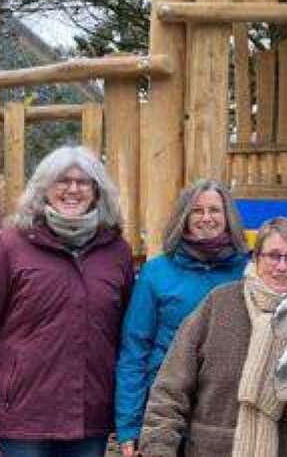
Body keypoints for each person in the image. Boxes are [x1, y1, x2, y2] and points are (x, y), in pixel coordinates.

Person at [0, 145, 135, 457]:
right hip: (24, 416)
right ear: (44, 189)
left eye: (83, 182)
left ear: (97, 192)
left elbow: (129, 337)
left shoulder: (116, 251)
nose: (72, 189)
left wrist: (128, 416)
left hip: (89, 415)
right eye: (62, 181)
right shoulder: (12, 245)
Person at [139, 217, 287, 457]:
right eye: (273, 255)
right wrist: (158, 449)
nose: (281, 266)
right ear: (256, 259)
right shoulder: (219, 304)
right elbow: (170, 390)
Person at [114, 179, 249, 456]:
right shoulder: (157, 273)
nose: (206, 218)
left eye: (214, 210)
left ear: (228, 217)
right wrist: (130, 424)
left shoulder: (247, 273)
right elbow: (134, 351)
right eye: (197, 211)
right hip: (166, 409)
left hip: (226, 414)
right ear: (184, 217)